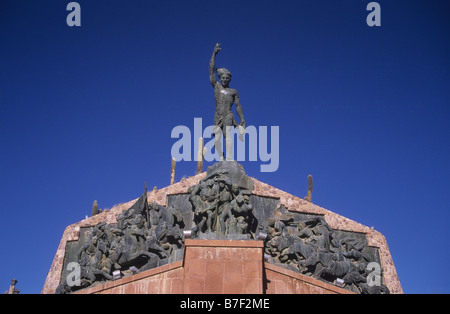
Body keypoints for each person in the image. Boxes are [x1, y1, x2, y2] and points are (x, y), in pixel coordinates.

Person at [209, 43, 246, 160]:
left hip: (228, 115)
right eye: (223, 78)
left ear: (229, 79)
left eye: (226, 78)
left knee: (228, 135)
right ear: (220, 78)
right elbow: (211, 70)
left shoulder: (233, 91)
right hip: (217, 115)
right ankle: (221, 157)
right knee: (216, 138)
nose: (224, 80)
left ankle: (229, 157)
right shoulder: (217, 87)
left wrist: (242, 120)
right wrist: (214, 54)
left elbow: (238, 106)